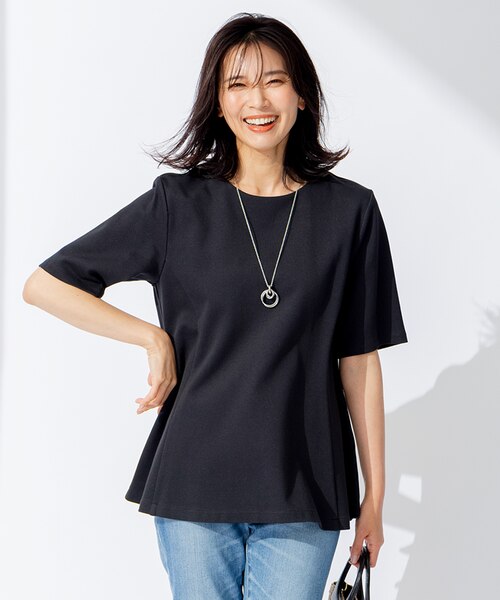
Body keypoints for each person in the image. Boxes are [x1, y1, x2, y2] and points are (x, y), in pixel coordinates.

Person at [23, 12, 408, 600]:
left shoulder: (350, 212)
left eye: (274, 81)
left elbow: (359, 359)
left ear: (302, 94)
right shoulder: (177, 204)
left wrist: (374, 497)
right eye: (238, 84)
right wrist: (152, 338)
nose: (258, 100)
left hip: (305, 484)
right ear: (219, 104)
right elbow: (46, 284)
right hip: (194, 480)